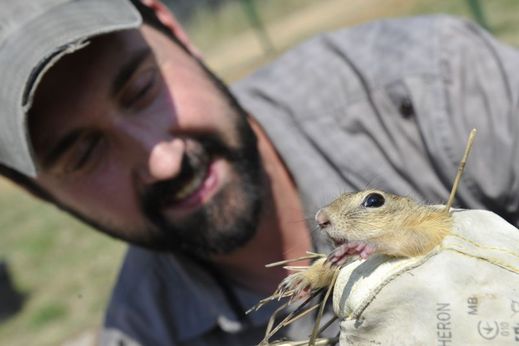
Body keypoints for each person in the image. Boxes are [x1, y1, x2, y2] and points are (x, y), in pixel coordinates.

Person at [1, 0, 518, 345]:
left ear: (174, 29)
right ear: (34, 191)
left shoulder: (440, 84)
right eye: (84, 153)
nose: (164, 160)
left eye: (140, 89)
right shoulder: (143, 333)